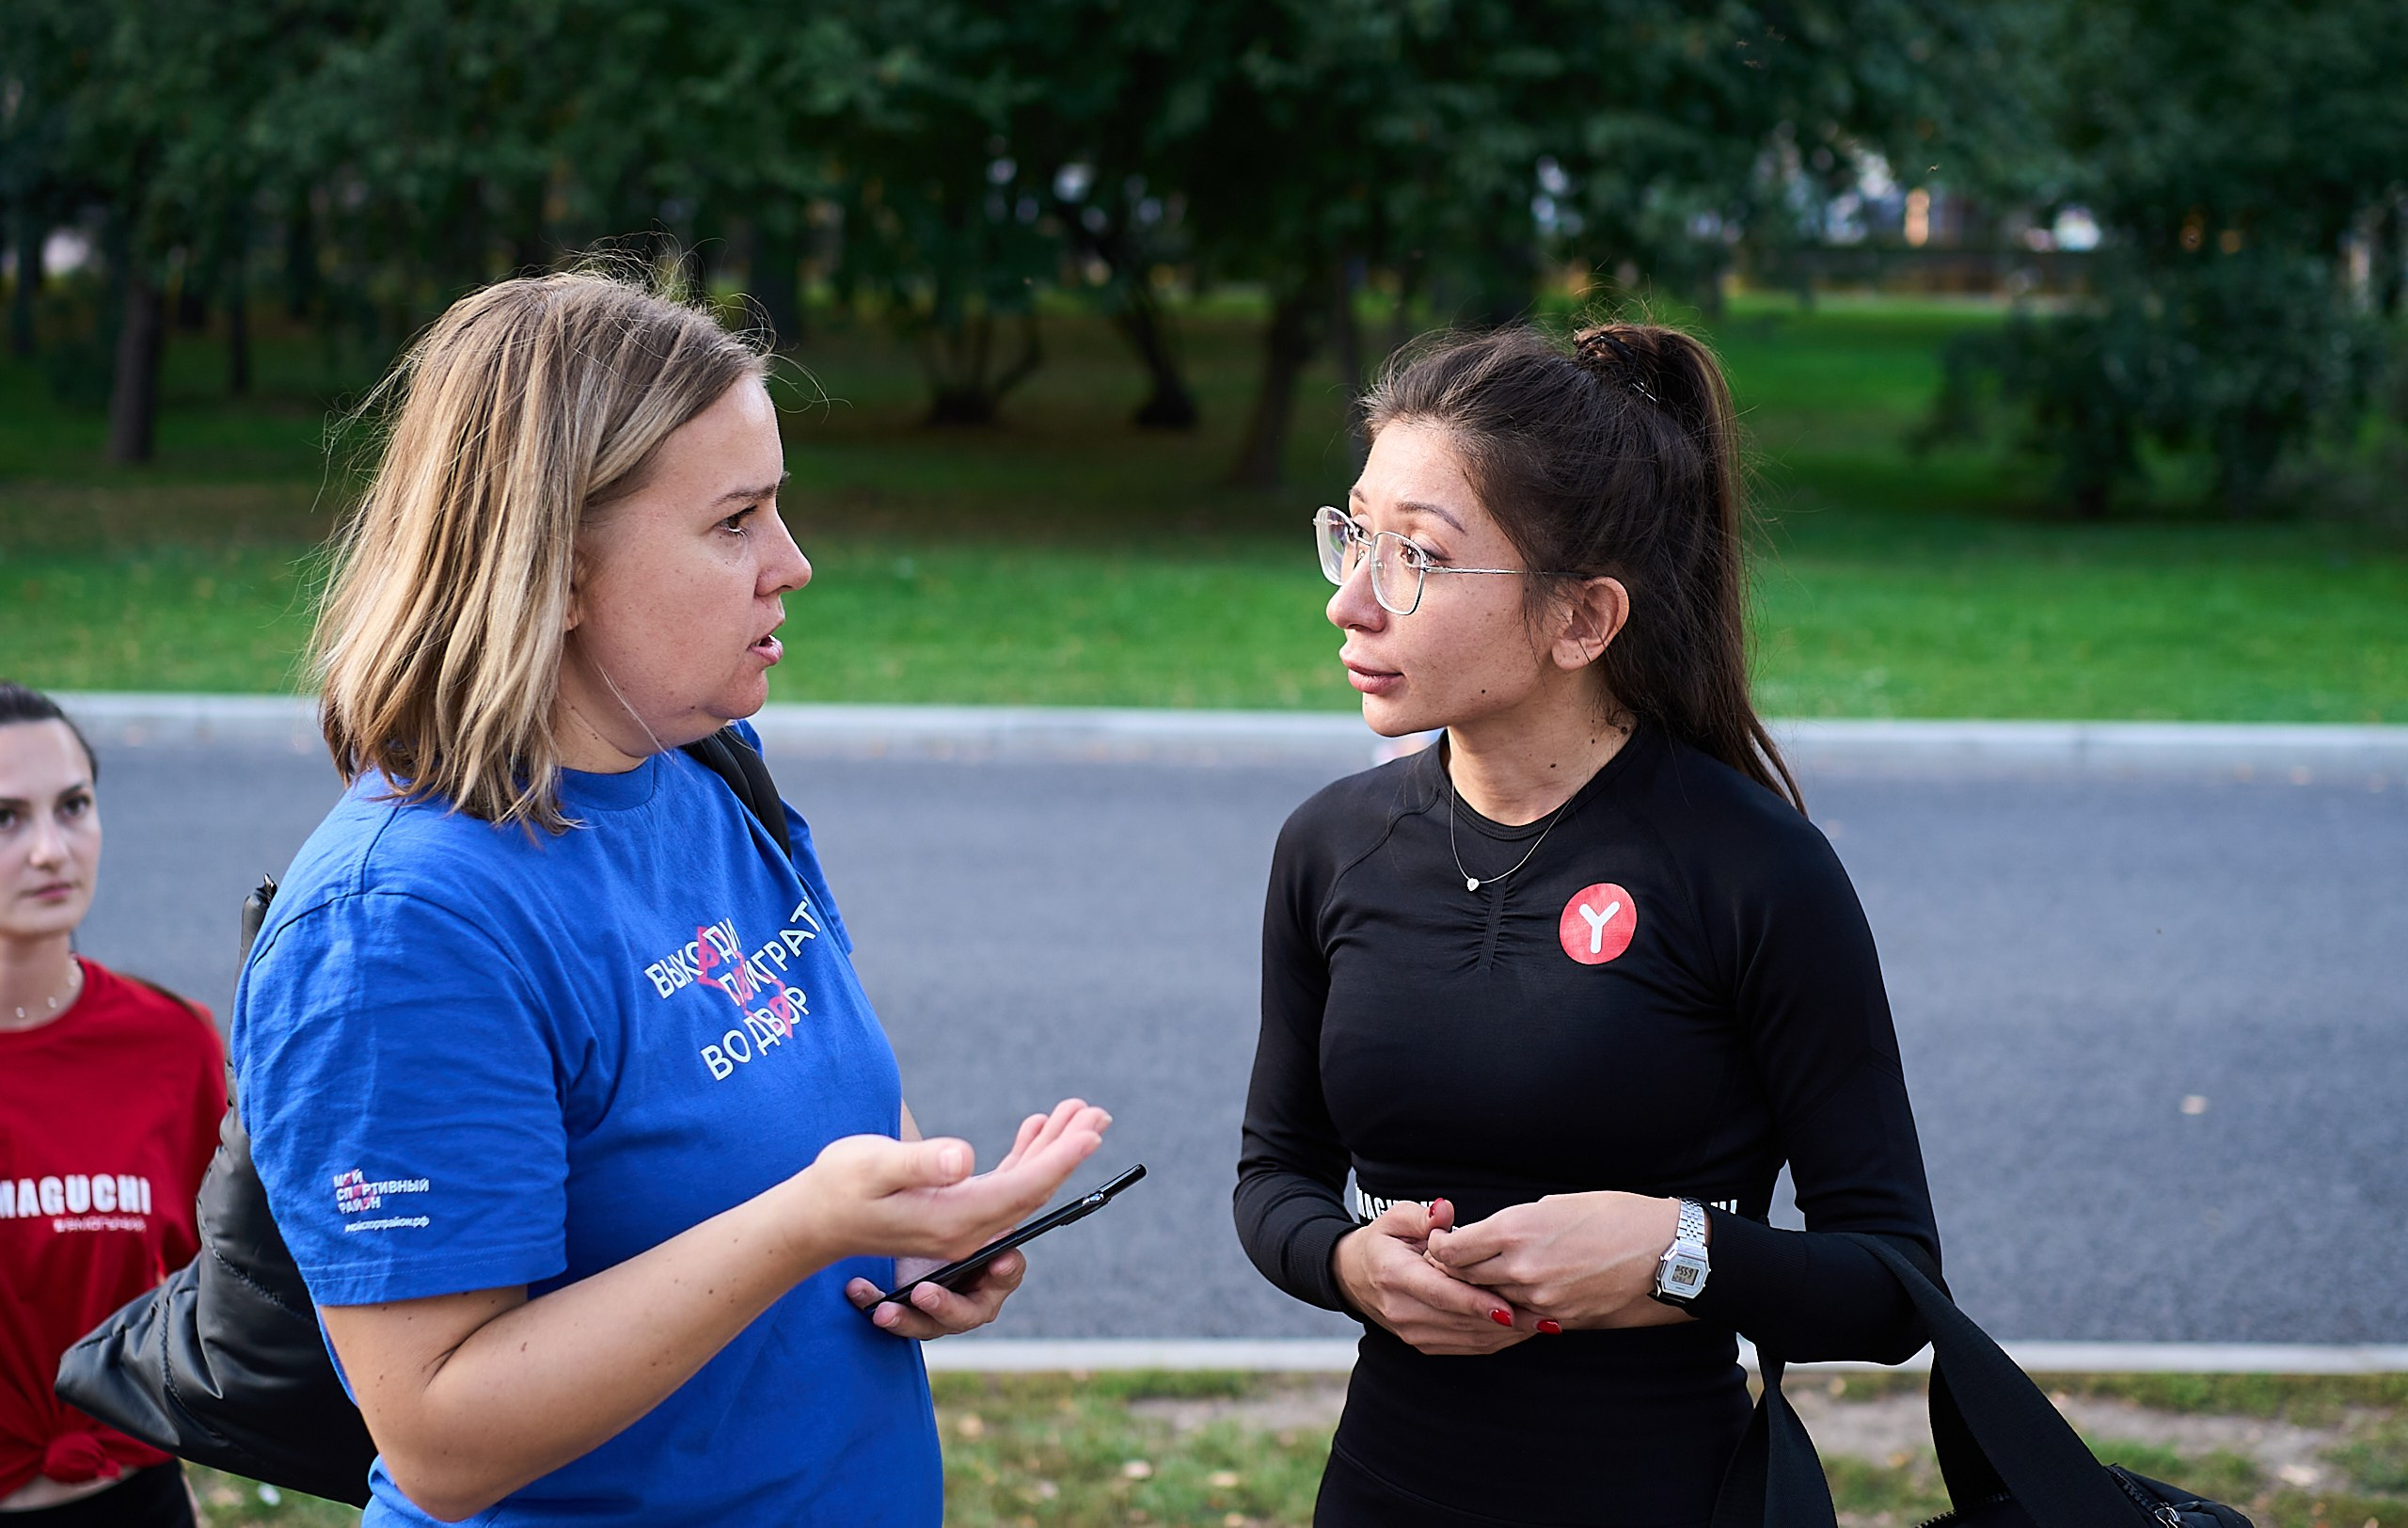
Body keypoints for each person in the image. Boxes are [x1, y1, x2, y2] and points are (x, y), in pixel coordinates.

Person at [233, 271, 1110, 1527]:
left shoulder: (700, 768)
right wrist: (808, 1226)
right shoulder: (399, 922)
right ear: (558, 562)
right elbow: (437, 1432)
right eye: (736, 520)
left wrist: (913, 1228)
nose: (793, 564)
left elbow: (797, 1082)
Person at [1233, 323, 1942, 1527]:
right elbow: (1276, 1178)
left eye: (1414, 557)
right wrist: (1350, 1265)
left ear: (1581, 621)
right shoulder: (1330, 846)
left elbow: (1891, 1284)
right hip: (1382, 1492)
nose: (1351, 601)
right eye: (1353, 533)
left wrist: (1675, 1249)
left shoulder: (1753, 870)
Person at [0, 683, 224, 1528]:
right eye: (5, 819)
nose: (52, 850)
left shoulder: (173, 1042)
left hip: (139, 1500)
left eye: (74, 805)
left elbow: (223, 1287)